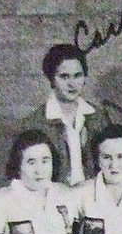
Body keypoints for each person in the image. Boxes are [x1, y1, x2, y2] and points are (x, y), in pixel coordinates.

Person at [19, 44, 113, 186]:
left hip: (93, 197)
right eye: (64, 77)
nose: (72, 83)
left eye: (77, 76)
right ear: (51, 79)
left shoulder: (98, 117)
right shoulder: (34, 123)